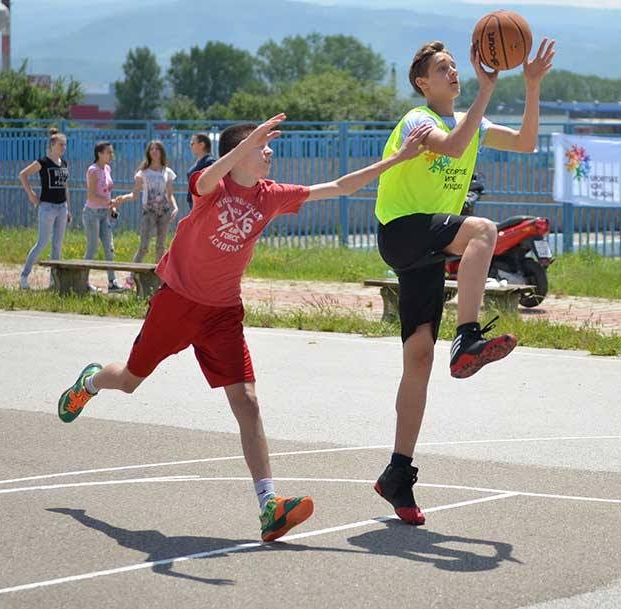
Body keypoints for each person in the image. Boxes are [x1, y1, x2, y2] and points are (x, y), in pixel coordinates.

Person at [56, 114, 432, 542]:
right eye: (261, 146)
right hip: (176, 302)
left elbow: (341, 187)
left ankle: (269, 506)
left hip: (222, 314)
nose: (269, 152)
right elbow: (205, 179)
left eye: (269, 146)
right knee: (127, 381)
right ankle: (89, 381)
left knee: (248, 402)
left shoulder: (270, 196)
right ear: (239, 154)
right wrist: (242, 143)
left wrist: (399, 158)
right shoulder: (211, 185)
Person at [373, 38, 555, 526]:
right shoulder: (417, 120)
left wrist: (531, 86)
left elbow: (527, 142)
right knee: (483, 230)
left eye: (456, 66)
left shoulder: (474, 122)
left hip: (427, 247)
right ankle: (469, 337)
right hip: (402, 231)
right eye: (443, 67)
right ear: (422, 82)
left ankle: (397, 472)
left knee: (418, 357)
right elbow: (453, 145)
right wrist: (486, 91)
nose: (453, 72)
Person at [19, 129, 71, 290]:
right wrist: (31, 194)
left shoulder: (64, 163)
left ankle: (53, 282)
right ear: (52, 145)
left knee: (57, 245)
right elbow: (23, 175)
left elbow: (65, 186)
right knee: (42, 243)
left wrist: (68, 208)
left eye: (65, 145)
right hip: (47, 207)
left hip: (62, 207)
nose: (63, 147)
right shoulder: (43, 162)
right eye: (61, 145)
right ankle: (24, 276)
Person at [83, 141, 126, 293]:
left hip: (104, 214)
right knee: (92, 248)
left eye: (111, 152)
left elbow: (106, 192)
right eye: (108, 152)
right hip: (92, 214)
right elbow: (91, 195)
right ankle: (83, 283)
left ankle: (112, 283)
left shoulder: (107, 168)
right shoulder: (93, 170)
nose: (111, 155)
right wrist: (110, 202)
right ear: (99, 154)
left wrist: (111, 207)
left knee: (109, 248)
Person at [131, 140, 178, 265]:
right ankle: (132, 275)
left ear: (162, 152)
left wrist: (175, 207)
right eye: (151, 149)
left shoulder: (167, 172)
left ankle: (157, 276)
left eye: (157, 149)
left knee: (160, 246)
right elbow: (135, 193)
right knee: (144, 246)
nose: (154, 151)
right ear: (148, 152)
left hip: (165, 211)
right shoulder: (143, 172)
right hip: (149, 211)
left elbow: (170, 193)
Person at [186, 133, 216, 212]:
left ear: (202, 145)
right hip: (194, 203)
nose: (190, 146)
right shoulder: (199, 162)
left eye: (192, 143)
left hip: (203, 204)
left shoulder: (209, 162)